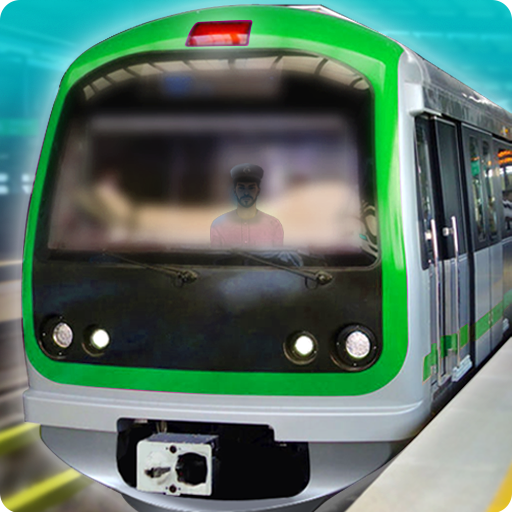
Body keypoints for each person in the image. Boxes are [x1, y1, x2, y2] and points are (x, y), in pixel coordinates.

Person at [210, 163, 284, 248]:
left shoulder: (273, 225)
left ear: (258, 191)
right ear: (235, 190)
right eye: (241, 188)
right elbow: (215, 259)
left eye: (251, 188)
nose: (246, 193)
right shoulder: (219, 225)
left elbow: (277, 259)